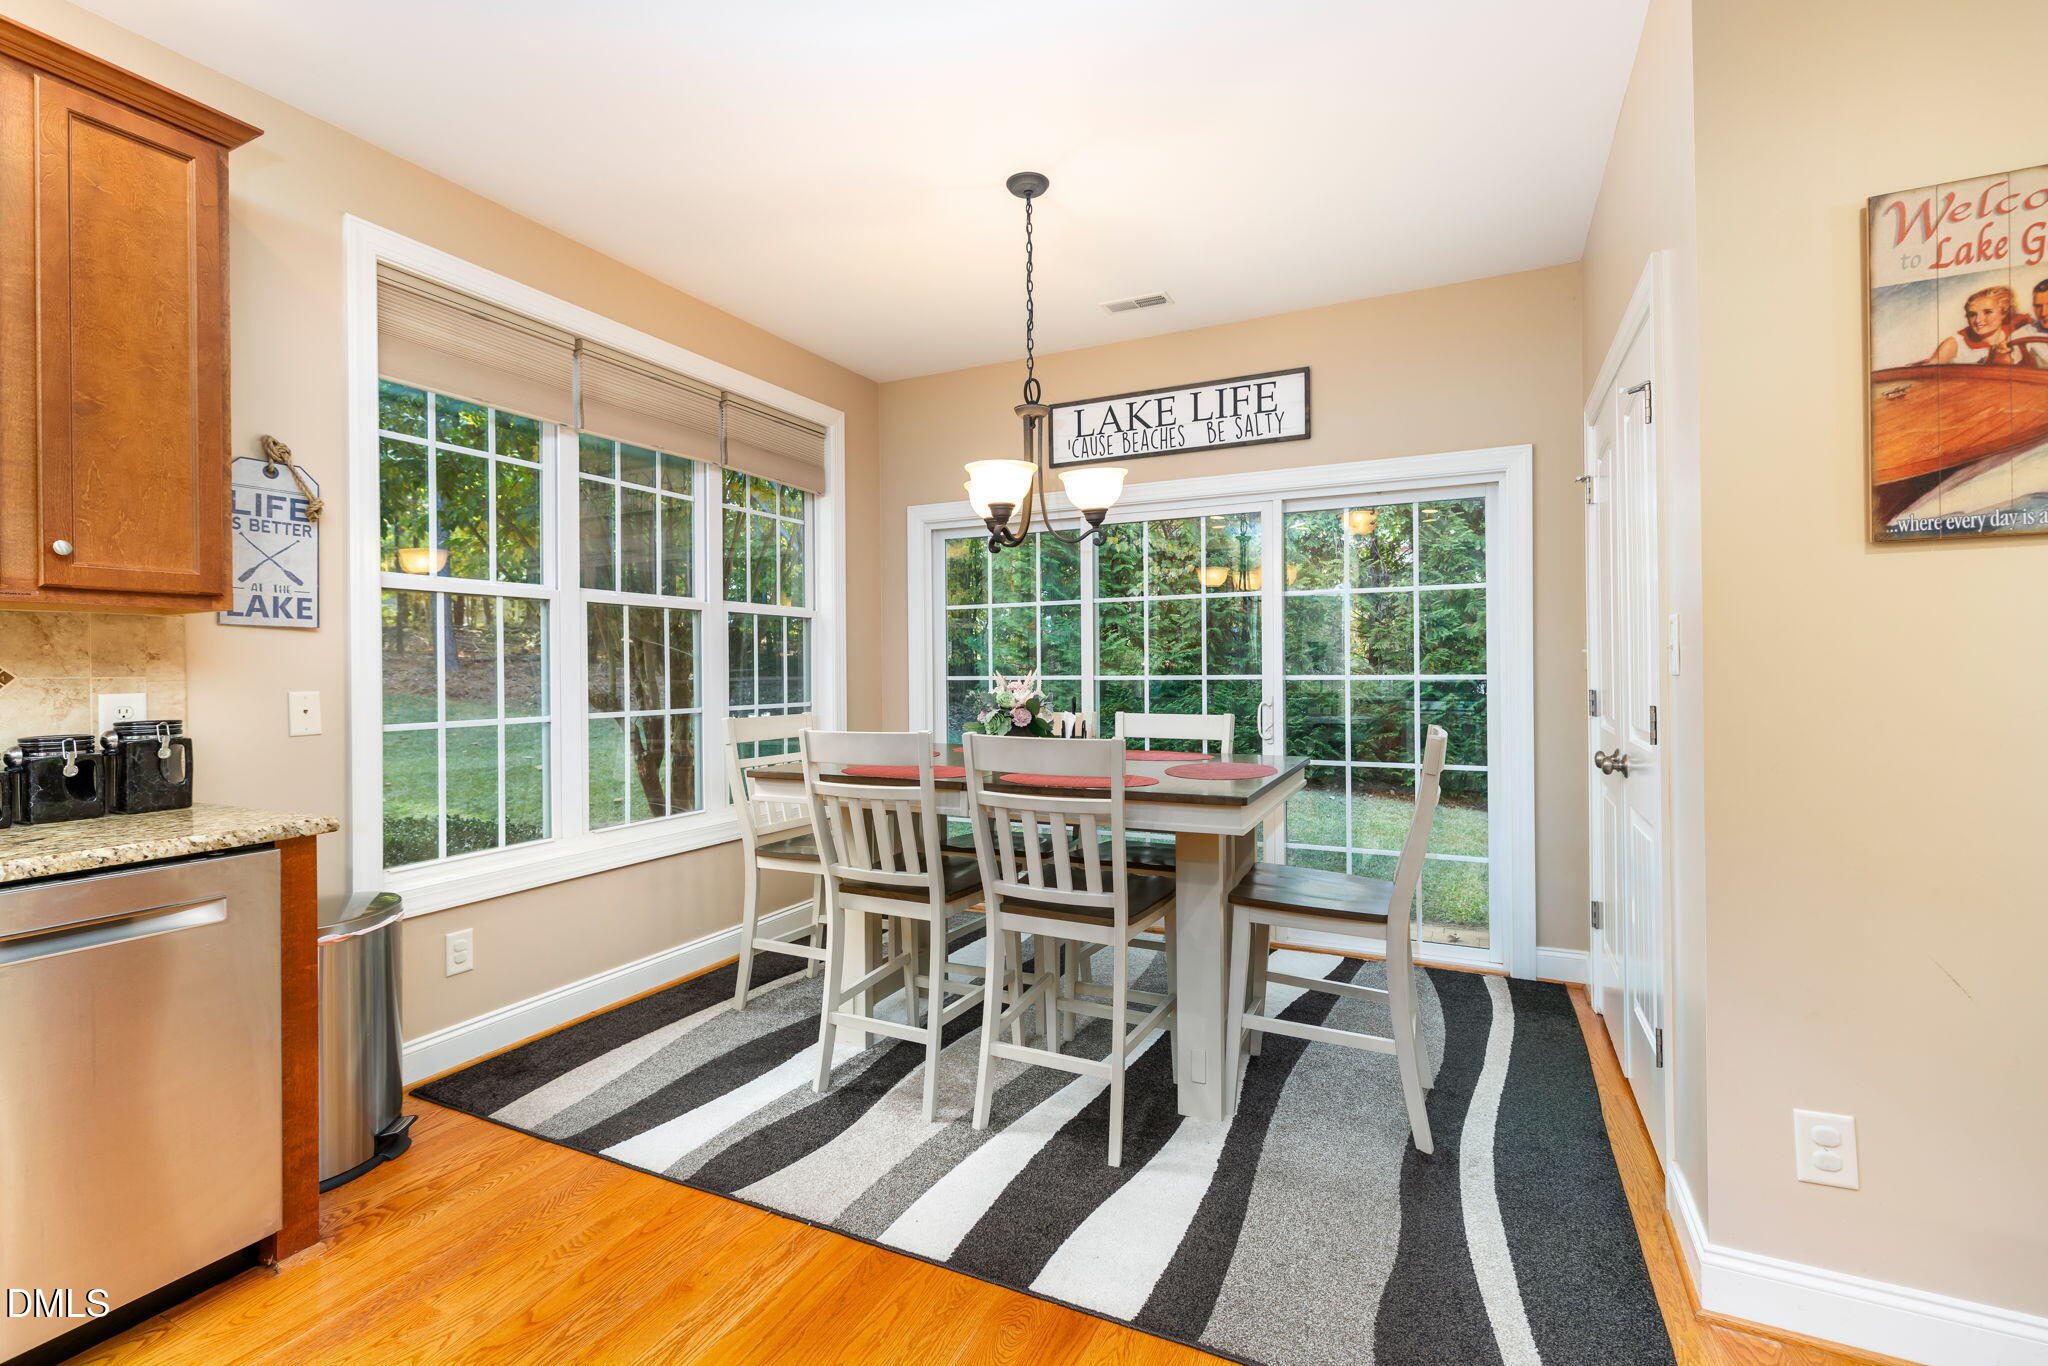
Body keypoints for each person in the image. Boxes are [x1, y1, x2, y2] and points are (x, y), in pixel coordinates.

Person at [1927, 284, 2023, 365]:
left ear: (2004, 313)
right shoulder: (1954, 344)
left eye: (1987, 312)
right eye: (1972, 314)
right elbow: (1927, 374)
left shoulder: (2019, 330)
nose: (1978, 320)